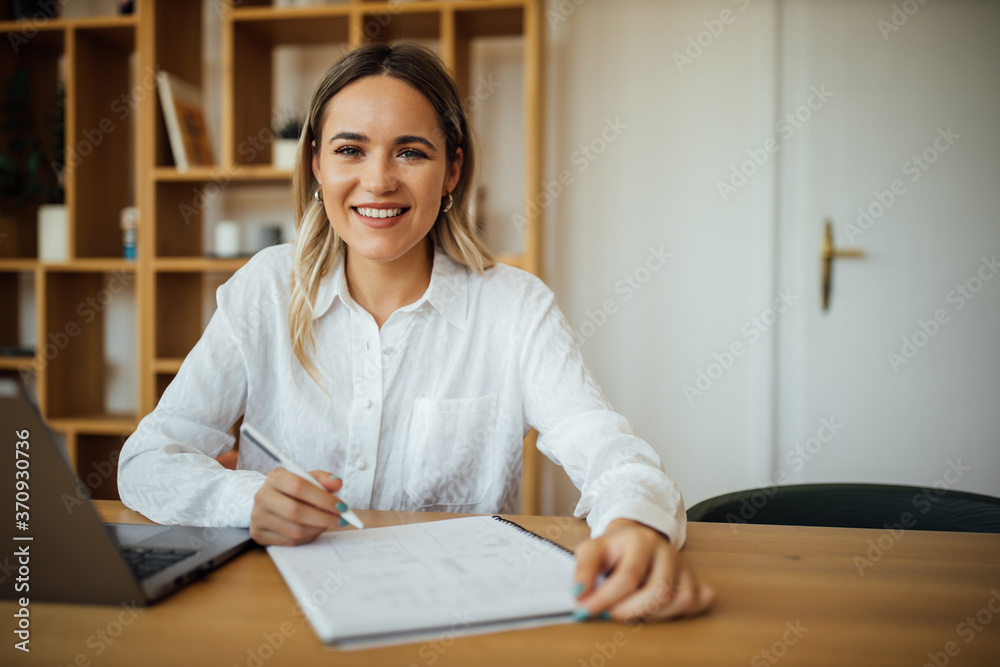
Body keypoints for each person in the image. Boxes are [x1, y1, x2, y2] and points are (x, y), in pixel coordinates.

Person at [118, 42, 714, 622]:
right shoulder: (265, 289)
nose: (378, 182)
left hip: (456, 619)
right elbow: (148, 459)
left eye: (410, 152)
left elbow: (609, 453)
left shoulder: (513, 307)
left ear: (452, 169)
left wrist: (636, 524)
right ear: (316, 165)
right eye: (351, 149)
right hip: (280, 614)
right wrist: (246, 501)